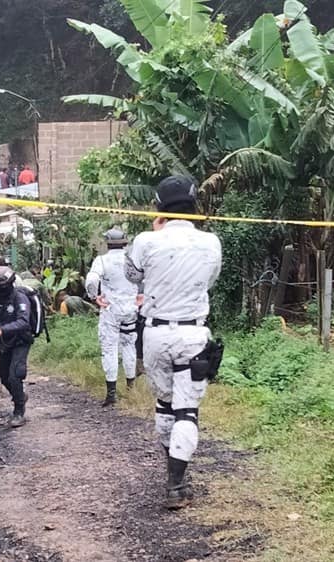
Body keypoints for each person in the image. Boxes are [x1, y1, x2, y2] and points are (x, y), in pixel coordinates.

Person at [125, 175, 222, 509]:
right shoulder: (211, 242)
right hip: (192, 334)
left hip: (154, 333)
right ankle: (176, 484)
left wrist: (154, 237)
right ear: (194, 203)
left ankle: (174, 474)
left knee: (165, 405)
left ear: (159, 207)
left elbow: (132, 276)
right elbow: (210, 280)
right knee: (187, 411)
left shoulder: (146, 240)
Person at [85, 228, 140, 407]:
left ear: (107, 242)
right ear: (125, 241)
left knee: (109, 348)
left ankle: (111, 393)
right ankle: (131, 387)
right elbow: (146, 279)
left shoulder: (101, 260)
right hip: (131, 308)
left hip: (111, 310)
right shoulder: (133, 260)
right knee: (129, 345)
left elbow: (92, 280)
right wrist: (141, 296)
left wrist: (95, 297)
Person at [0, 266, 33, 427]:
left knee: (15, 374)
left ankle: (19, 411)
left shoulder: (19, 298)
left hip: (20, 341)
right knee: (2, 372)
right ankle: (19, 395)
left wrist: (1, 329)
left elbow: (24, 321)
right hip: (3, 342)